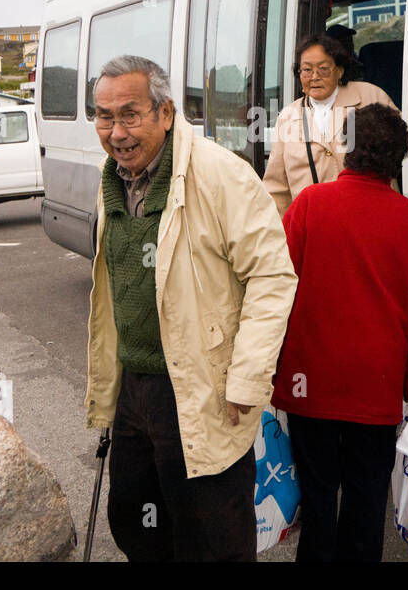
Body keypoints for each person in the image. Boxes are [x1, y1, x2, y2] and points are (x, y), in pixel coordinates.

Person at [84, 55, 297, 562]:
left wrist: (248, 378)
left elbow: (271, 276)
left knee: (211, 532)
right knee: (139, 523)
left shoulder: (221, 175)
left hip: (201, 384)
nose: (117, 132)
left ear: (165, 112)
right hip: (135, 388)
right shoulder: (112, 177)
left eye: (130, 115)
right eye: (104, 116)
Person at [271, 103, 408, 562]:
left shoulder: (309, 204)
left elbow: (275, 292)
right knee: (367, 498)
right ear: (398, 160)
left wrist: (269, 371)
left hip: (310, 384)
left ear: (346, 149)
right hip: (377, 389)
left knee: (318, 492)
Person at [262, 33, 395, 217]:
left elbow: (400, 151)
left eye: (323, 69)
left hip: (371, 218)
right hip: (316, 226)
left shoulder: (371, 97)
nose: (314, 77)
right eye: (306, 70)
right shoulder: (288, 116)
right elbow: (277, 188)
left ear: (339, 70)